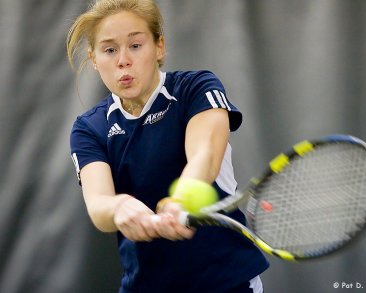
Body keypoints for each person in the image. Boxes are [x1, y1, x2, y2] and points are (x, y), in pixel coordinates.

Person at [66, 0, 269, 292]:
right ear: (94, 59)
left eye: (135, 45)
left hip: (228, 282)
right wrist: (118, 207)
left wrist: (181, 199)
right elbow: (99, 204)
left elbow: (204, 156)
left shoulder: (196, 87)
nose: (123, 60)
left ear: (158, 47)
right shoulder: (89, 128)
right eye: (110, 50)